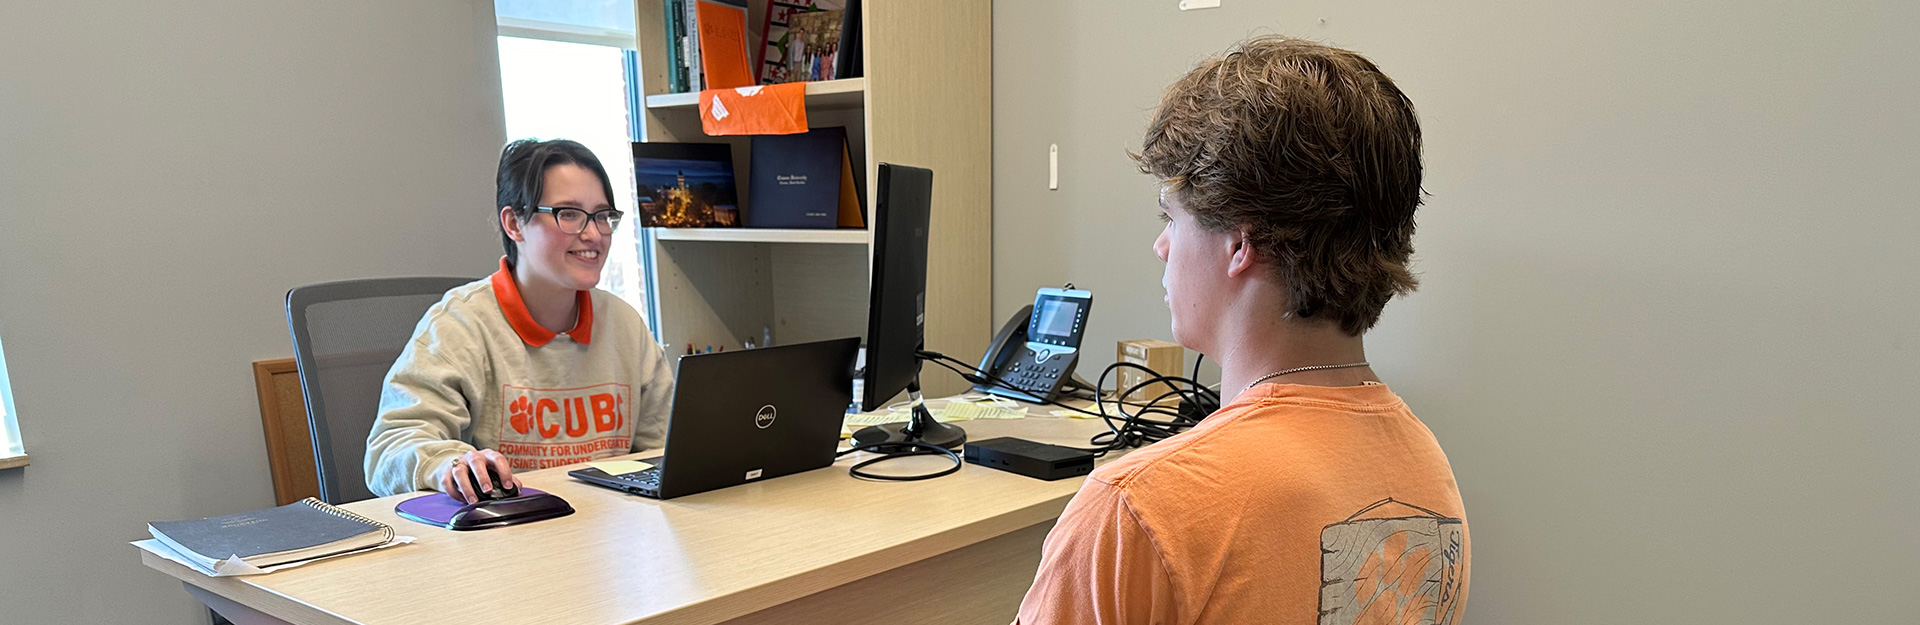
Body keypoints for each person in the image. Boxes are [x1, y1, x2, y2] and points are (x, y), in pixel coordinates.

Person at [1014, 37, 1470, 624]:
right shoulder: (1425, 467)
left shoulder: (1138, 512)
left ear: (1239, 243)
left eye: (1169, 218)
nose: (1160, 247)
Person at [365, 139, 674, 504]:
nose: (593, 234)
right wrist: (446, 464)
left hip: (611, 534)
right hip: (506, 540)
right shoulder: (460, 325)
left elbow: (666, 448)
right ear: (514, 223)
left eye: (602, 216)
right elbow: (389, 449)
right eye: (569, 214)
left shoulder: (623, 324)